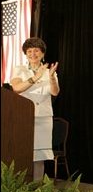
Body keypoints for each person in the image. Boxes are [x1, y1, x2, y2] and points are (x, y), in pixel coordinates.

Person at [10, 37, 60, 181]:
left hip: (43, 118)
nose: (33, 54)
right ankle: (18, 188)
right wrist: (36, 77)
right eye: (29, 51)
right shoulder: (19, 69)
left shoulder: (50, 71)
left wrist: (50, 78)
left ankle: (36, 191)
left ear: (42, 54)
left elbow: (55, 92)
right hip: (23, 117)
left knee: (39, 156)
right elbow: (17, 88)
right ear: (25, 54)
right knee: (21, 153)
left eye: (36, 51)